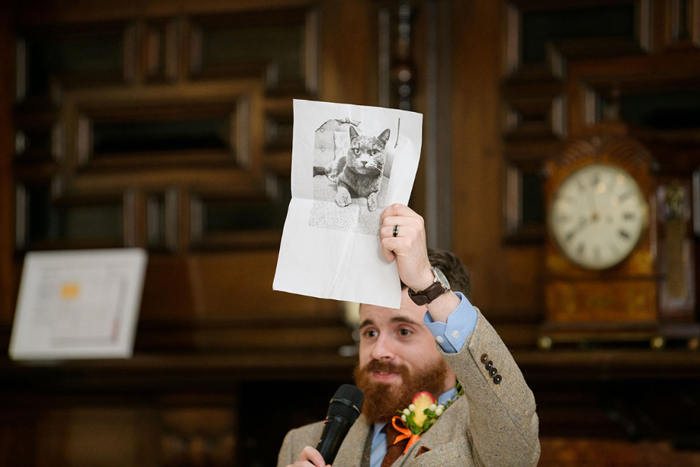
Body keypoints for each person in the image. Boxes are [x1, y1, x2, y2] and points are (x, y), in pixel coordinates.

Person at [277, 203, 540, 467]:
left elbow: (514, 445)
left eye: (403, 331)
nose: (379, 350)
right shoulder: (302, 445)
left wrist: (427, 285)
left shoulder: (484, 431)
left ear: (445, 335)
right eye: (370, 332)